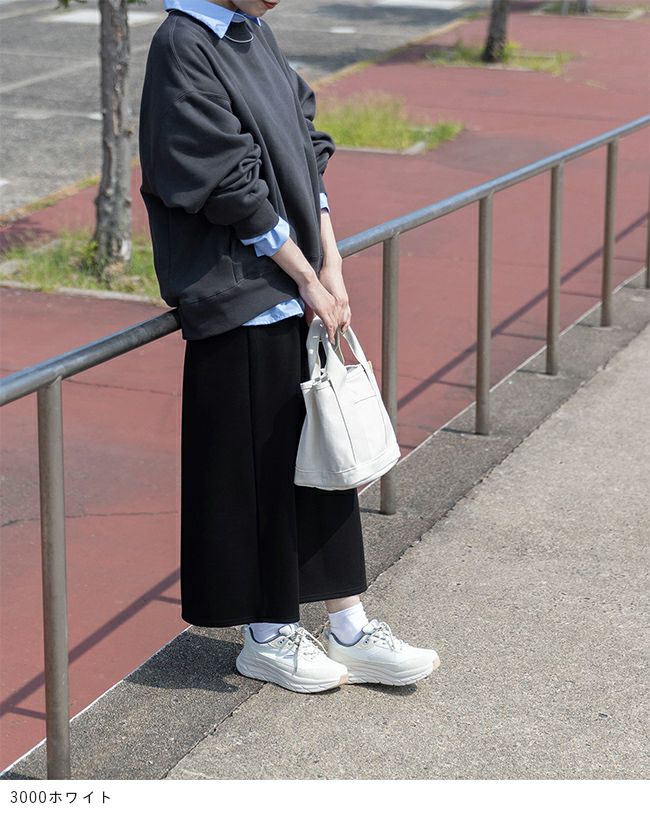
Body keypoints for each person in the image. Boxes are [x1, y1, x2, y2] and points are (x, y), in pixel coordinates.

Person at [138, 0, 440, 693]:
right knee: (252, 471)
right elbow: (224, 180)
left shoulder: (252, 32)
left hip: (289, 285)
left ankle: (348, 625)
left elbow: (306, 146)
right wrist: (308, 274)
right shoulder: (182, 42)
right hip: (239, 292)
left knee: (320, 458)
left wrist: (330, 263)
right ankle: (267, 634)